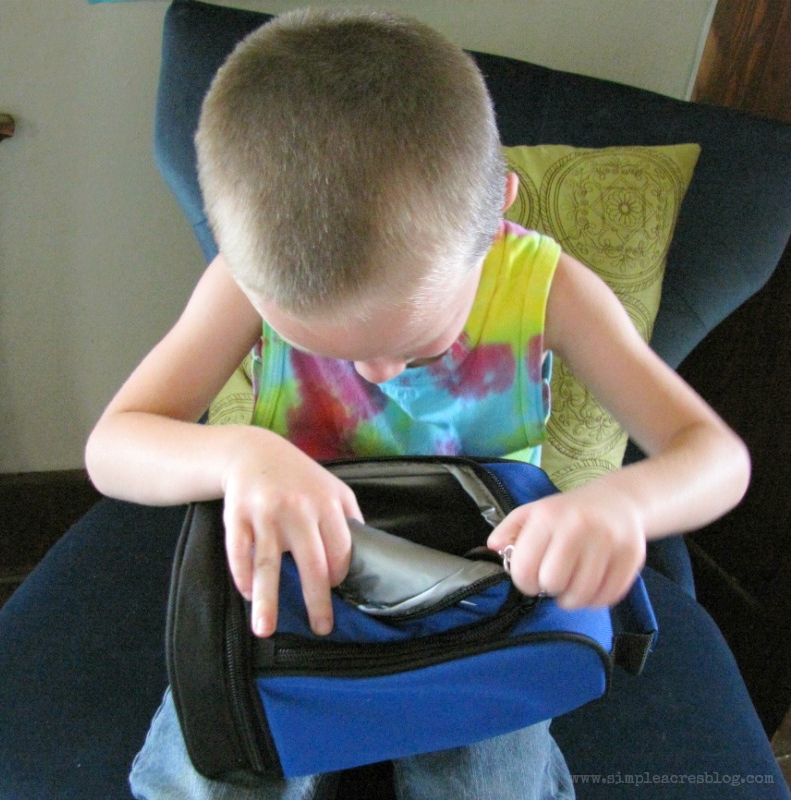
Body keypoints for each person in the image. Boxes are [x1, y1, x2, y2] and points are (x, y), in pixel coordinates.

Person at [85, 8, 750, 800]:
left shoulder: (549, 288)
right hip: (304, 562)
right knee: (217, 771)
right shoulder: (239, 281)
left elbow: (715, 456)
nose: (378, 371)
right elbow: (113, 447)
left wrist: (623, 505)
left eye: (419, 344)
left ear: (495, 216)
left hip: (481, 574)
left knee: (486, 783)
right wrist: (240, 453)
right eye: (325, 348)